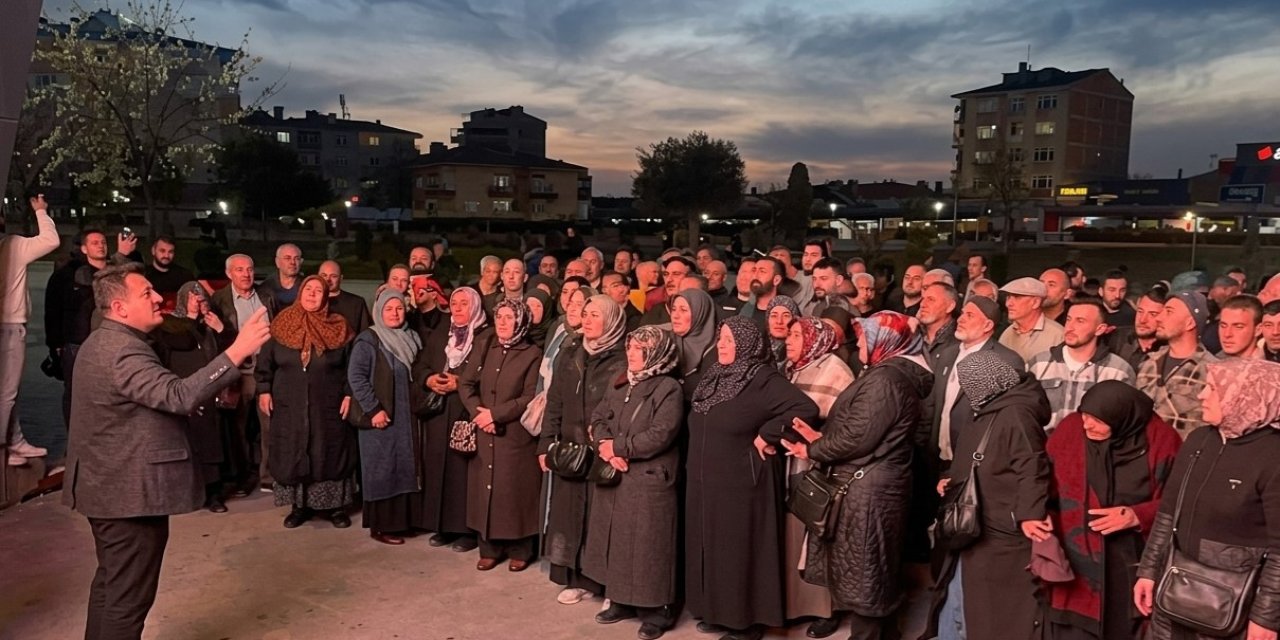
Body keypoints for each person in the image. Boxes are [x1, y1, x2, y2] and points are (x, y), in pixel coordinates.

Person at [63, 262, 271, 639]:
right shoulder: (122, 352)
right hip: (127, 497)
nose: (160, 297)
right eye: (147, 293)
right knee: (127, 602)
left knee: (111, 587)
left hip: (108, 490)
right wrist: (238, 351)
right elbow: (178, 396)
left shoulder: (104, 341)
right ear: (120, 308)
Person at [783, 311, 933, 640]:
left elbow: (857, 437)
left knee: (868, 575)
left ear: (886, 341)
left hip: (869, 491)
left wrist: (814, 450)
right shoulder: (888, 374)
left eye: (865, 336)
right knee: (873, 571)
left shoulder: (886, 380)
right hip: (874, 485)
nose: (859, 343)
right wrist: (819, 438)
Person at [685, 316, 820, 640]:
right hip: (707, 480)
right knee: (713, 547)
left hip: (742, 481)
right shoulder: (715, 374)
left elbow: (806, 408)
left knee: (738, 550)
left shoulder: (762, 378)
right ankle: (717, 611)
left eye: (731, 340)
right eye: (721, 339)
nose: (723, 345)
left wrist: (768, 434)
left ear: (747, 343)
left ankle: (745, 623)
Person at [1133, 358, 1280, 640]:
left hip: (1235, 605)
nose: (1201, 395)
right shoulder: (1199, 440)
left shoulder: (1273, 456)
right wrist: (1148, 571)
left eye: (1213, 388)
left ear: (1246, 394)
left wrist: (1266, 619)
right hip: (1176, 590)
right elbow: (1167, 513)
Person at [1043, 381, 1182, 640]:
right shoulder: (1071, 429)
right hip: (1075, 566)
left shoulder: (1161, 439)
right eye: (1084, 415)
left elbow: (1181, 501)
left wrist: (1137, 515)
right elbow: (1043, 479)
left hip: (1132, 563)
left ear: (1121, 418)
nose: (1087, 425)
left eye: (1097, 420)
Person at [929, 350, 1051, 640]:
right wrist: (951, 479)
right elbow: (977, 458)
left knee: (989, 609)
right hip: (976, 523)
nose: (966, 387)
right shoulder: (989, 407)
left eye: (970, 380)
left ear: (989, 381)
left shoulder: (1016, 413)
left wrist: (1029, 514)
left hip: (998, 528)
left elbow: (1032, 465)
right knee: (960, 599)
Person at [583, 326, 685, 638]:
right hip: (616, 472)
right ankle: (621, 599)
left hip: (649, 479)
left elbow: (660, 435)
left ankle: (657, 611)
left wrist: (617, 448)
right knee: (617, 540)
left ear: (657, 352)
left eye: (641, 349)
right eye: (631, 346)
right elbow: (598, 417)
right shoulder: (620, 379)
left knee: (648, 546)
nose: (632, 353)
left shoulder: (669, 388)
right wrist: (604, 446)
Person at [540, 294, 628, 604]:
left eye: (595, 315)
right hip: (569, 450)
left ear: (612, 322)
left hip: (602, 452)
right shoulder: (572, 352)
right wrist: (546, 443)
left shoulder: (623, 357)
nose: (587, 320)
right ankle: (576, 579)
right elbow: (555, 401)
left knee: (601, 519)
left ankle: (607, 586)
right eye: (585, 313)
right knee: (570, 516)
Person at [256, 276, 356, 529]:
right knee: (294, 448)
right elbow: (266, 362)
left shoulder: (339, 326)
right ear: (301, 293)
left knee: (328, 450)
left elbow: (350, 367)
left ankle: (335, 507)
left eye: (318, 291)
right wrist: (264, 389)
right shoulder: (282, 324)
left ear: (326, 296)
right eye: (308, 289)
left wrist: (349, 393)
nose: (312, 294)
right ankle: (299, 506)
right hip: (289, 402)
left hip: (328, 404)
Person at [458, 299, 542, 570]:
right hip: (484, 430)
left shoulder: (532, 353)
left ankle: (520, 549)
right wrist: (478, 413)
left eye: (509, 317)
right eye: (500, 316)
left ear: (521, 321)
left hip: (515, 434)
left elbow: (530, 396)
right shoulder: (486, 345)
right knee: (487, 490)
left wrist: (496, 415)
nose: (503, 322)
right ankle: (489, 548)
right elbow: (466, 383)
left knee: (514, 491)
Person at [412, 287, 489, 552]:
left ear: (475, 307)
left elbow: (489, 374)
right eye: (454, 303)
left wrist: (461, 382)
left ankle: (465, 530)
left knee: (463, 473)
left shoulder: (484, 336)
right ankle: (442, 525)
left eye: (464, 303)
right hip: (438, 412)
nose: (457, 308)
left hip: (465, 410)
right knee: (438, 468)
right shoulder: (442, 333)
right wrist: (429, 379)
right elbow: (420, 364)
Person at [349, 290, 424, 545]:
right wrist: (373, 410)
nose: (394, 313)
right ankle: (381, 526)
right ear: (378, 312)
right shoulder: (369, 340)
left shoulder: (411, 337)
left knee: (403, 469)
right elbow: (356, 377)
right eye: (388, 309)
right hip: (381, 418)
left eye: (399, 308)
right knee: (382, 471)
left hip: (406, 418)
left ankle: (403, 523)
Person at [151, 282, 235, 512]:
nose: (198, 302)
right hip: (181, 390)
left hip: (210, 392)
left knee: (211, 443)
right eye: (192, 297)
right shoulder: (170, 324)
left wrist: (220, 330)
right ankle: (186, 493)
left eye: (202, 298)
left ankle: (214, 494)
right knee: (186, 442)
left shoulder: (211, 325)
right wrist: (189, 317)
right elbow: (177, 344)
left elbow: (233, 353)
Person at [210, 254, 277, 493]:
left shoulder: (266, 297)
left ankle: (268, 476)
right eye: (240, 270)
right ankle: (243, 476)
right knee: (238, 429)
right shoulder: (219, 300)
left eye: (249, 269)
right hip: (238, 374)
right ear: (229, 274)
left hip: (265, 372)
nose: (246, 274)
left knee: (269, 427)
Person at [1, 195, 59, 467]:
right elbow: (50, 240)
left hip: (10, 324)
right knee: (7, 392)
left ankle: (14, 440)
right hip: (9, 325)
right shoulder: (12, 244)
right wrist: (41, 211)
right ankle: (6, 446)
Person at [1027, 298, 1136, 431]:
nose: (1070, 327)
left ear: (1100, 329)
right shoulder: (1039, 364)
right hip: (1043, 447)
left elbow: (1126, 422)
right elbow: (1023, 412)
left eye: (1080, 321)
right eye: (1068, 319)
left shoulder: (1118, 371)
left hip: (1092, 448)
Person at [1136, 291, 1218, 438]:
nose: (1159, 318)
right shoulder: (1149, 362)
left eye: (1169, 312)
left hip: (1183, 456)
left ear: (1190, 323)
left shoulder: (1211, 370)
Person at [999, 276, 1065, 363]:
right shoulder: (1007, 334)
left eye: (1017, 297)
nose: (1008, 304)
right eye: (1008, 297)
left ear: (1036, 302)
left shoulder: (1058, 335)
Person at [1106, 287, 1168, 371]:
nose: (1142, 320)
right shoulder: (1116, 337)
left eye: (1152, 314)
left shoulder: (1169, 348)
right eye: (1140, 311)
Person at [317, 260, 372, 335]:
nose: (328, 280)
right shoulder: (309, 301)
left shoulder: (356, 303)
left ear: (341, 278)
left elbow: (365, 335)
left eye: (333, 276)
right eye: (324, 275)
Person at [142, 235, 194, 308]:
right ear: (153, 251)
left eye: (170, 252)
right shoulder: (143, 275)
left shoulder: (185, 275)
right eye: (162, 251)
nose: (166, 255)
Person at [1217, 294, 1263, 359]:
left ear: (1258, 330)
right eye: (1223, 326)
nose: (1227, 334)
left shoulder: (1271, 367)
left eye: (1238, 327)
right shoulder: (1214, 362)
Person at [918, 282, 958, 355]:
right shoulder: (912, 334)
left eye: (931, 299)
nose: (922, 304)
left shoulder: (960, 340)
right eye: (922, 299)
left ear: (950, 306)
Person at [765, 295, 801, 370]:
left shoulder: (800, 354)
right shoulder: (760, 351)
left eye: (786, 316)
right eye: (774, 316)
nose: (779, 321)